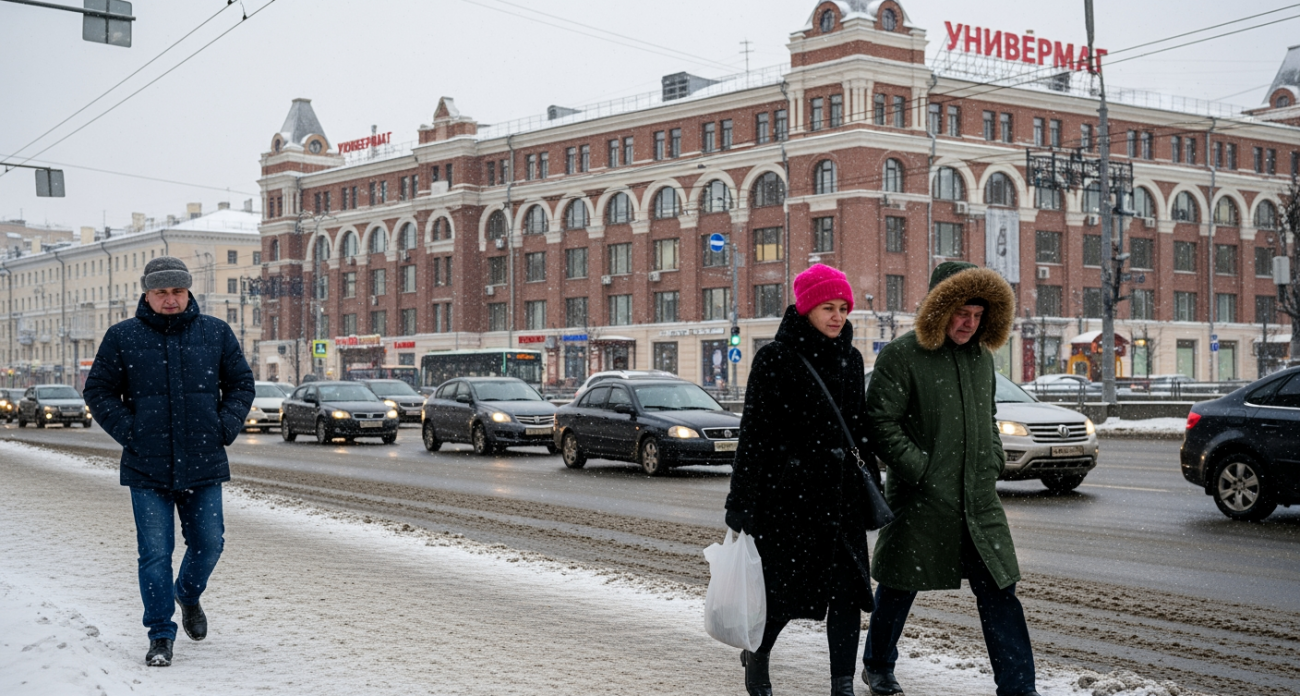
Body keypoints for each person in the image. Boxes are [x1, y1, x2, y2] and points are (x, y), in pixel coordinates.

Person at [861, 261, 1039, 696]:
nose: (969, 323)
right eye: (962, 313)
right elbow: (880, 423)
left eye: (978, 316)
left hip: (978, 498)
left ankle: (1018, 687)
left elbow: (989, 415)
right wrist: (922, 470)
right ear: (940, 309)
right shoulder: (903, 355)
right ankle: (878, 665)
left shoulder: (982, 358)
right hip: (922, 498)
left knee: (1001, 588)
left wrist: (993, 459)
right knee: (900, 584)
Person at [83, 256, 254, 667]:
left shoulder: (215, 332)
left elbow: (241, 384)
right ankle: (160, 634)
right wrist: (133, 431)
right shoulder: (122, 337)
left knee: (209, 545)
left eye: (177, 291)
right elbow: (98, 391)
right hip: (147, 467)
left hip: (203, 462)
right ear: (147, 293)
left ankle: (188, 594)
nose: (170, 299)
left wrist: (223, 426)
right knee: (155, 553)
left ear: (188, 291)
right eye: (161, 292)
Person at [725, 263, 875, 696]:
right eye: (828, 306)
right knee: (781, 597)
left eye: (843, 307)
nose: (837, 316)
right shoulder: (775, 358)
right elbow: (753, 435)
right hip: (789, 502)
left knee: (847, 597)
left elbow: (860, 429)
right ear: (806, 308)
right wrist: (741, 504)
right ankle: (758, 657)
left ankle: (842, 684)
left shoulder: (851, 358)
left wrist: (872, 488)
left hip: (842, 500)